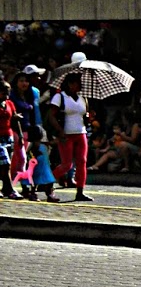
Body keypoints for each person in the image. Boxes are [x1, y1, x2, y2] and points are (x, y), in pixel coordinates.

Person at [47, 72, 93, 202]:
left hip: (81, 132)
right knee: (66, 164)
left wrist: (88, 117)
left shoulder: (83, 98)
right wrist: (59, 130)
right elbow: (51, 115)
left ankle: (80, 191)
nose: (79, 86)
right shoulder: (59, 97)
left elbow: (85, 114)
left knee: (82, 162)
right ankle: (48, 183)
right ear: (69, 84)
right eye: (77, 83)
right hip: (66, 134)